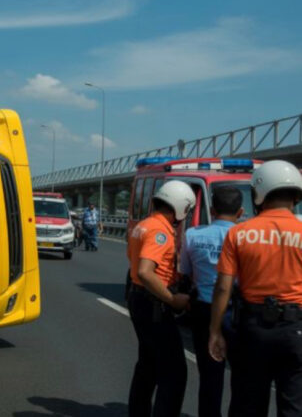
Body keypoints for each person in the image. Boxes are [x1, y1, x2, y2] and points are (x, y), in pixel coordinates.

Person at [209, 160, 302, 416]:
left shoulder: (239, 233)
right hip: (295, 330)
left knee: (247, 405)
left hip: (253, 329)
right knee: (294, 406)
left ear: (258, 194)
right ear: (296, 195)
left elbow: (223, 288)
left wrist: (215, 331)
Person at [127, 180, 195, 417]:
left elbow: (134, 265)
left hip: (138, 299)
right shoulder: (160, 231)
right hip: (154, 303)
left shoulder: (143, 225)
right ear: (180, 207)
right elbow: (146, 271)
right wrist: (172, 299)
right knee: (174, 372)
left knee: (147, 366)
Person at [179, 186, 243, 417]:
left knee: (210, 375)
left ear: (212, 210)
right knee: (242, 377)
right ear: (241, 211)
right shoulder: (246, 236)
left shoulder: (193, 235)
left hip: (203, 310)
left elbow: (185, 271)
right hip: (237, 312)